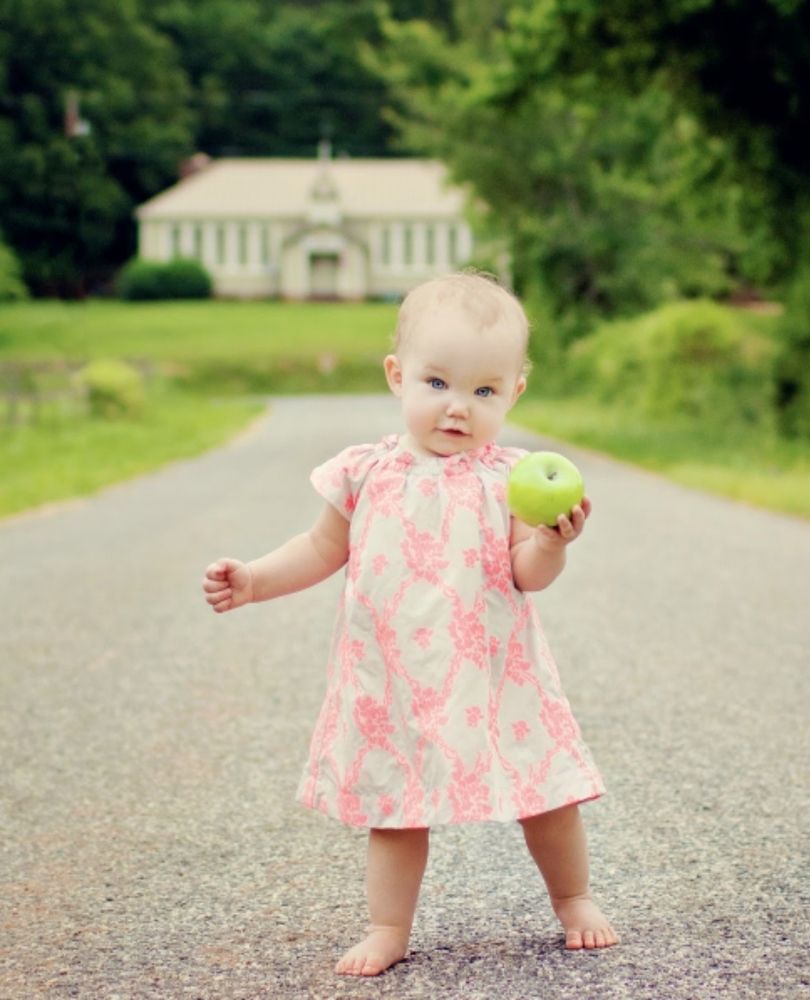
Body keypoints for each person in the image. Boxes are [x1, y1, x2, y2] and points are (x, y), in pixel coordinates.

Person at [202, 272, 617, 977]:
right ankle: (388, 926)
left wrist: (549, 542)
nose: (458, 408)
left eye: (484, 391)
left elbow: (525, 574)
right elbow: (321, 549)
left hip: (492, 673)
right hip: (392, 673)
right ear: (397, 376)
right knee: (395, 807)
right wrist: (254, 581)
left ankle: (574, 898)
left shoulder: (509, 478)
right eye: (437, 383)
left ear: (514, 393)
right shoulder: (364, 473)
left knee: (545, 793)